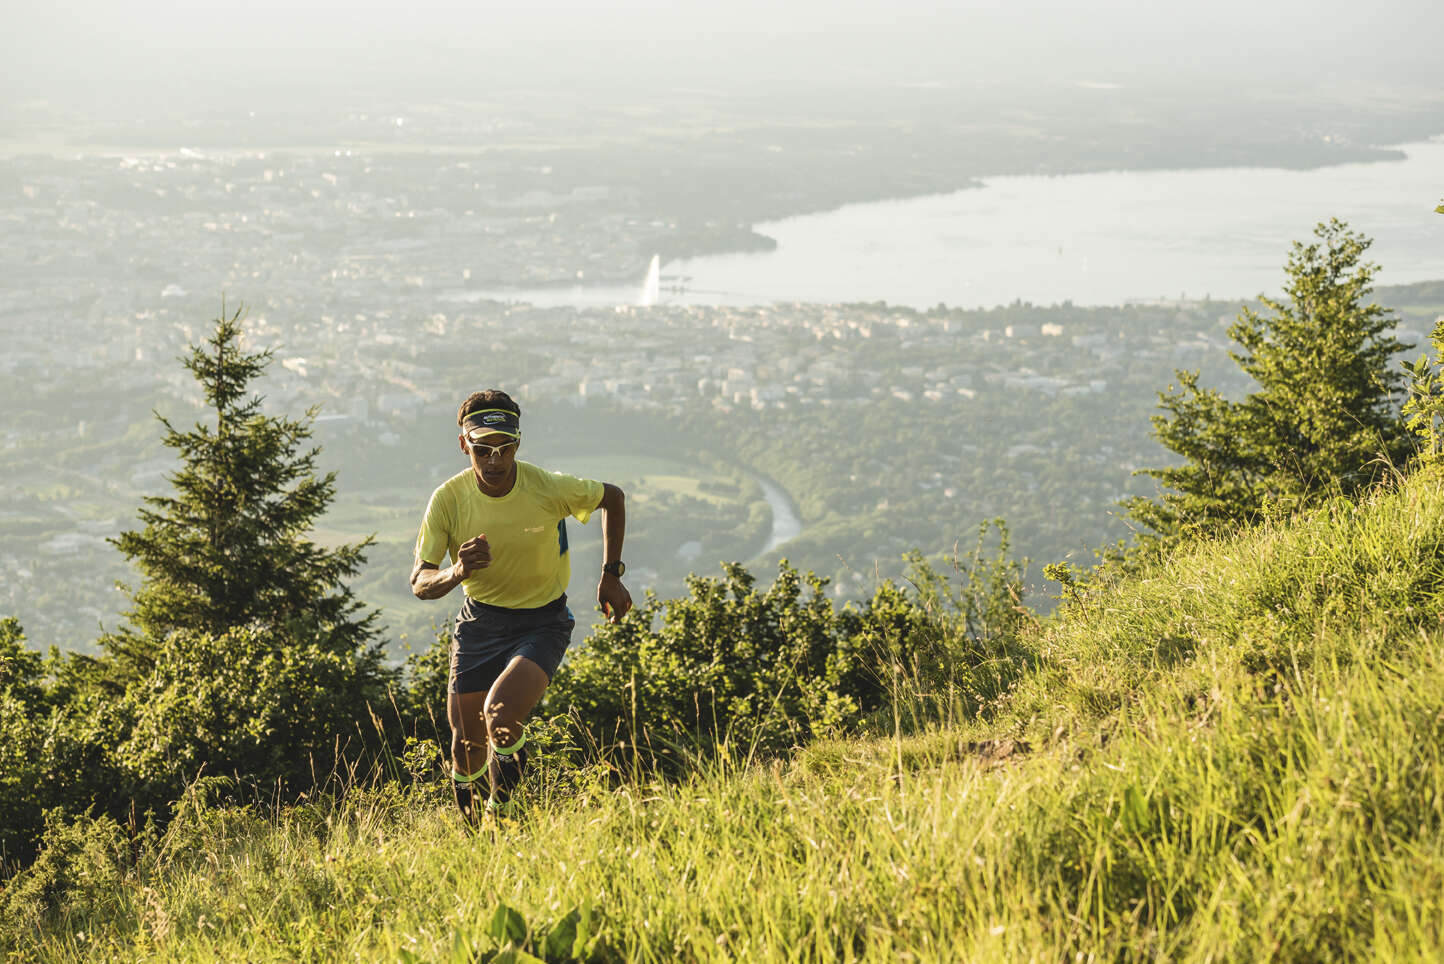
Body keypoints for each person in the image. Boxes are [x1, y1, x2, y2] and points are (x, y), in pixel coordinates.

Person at [410, 389, 632, 824]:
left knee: (500, 713)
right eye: (482, 449)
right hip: (479, 621)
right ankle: (471, 837)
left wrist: (611, 572)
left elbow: (614, 497)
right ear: (463, 445)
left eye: (504, 448)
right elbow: (420, 582)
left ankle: (504, 812)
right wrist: (457, 572)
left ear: (517, 444)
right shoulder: (448, 500)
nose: (494, 460)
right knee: (465, 745)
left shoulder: (546, 487)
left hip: (542, 621)